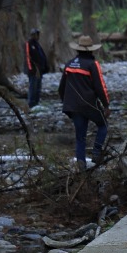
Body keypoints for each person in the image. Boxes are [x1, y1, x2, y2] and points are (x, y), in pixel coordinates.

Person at [59, 34, 110, 169]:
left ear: (78, 49)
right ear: (91, 50)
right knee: (103, 125)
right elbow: (100, 87)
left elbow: (61, 88)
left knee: (80, 137)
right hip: (89, 105)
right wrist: (106, 105)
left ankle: (81, 163)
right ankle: (96, 153)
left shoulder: (69, 64)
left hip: (73, 106)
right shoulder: (92, 65)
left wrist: (66, 103)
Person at [23, 28, 50, 109]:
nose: (36, 36)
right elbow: (27, 57)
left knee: (38, 87)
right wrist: (30, 68)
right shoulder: (29, 43)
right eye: (34, 34)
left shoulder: (37, 45)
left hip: (40, 70)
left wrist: (45, 67)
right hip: (33, 70)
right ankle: (31, 104)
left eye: (37, 34)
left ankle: (36, 103)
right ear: (32, 35)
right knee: (33, 86)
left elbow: (42, 56)